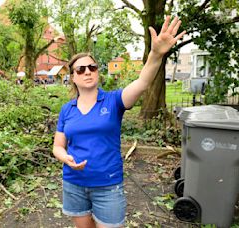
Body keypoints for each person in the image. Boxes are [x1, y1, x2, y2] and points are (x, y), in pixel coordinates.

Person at [53, 16, 185, 228]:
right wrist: (66, 158)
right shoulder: (66, 110)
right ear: (73, 78)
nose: (87, 71)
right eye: (80, 69)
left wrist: (156, 54)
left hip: (108, 186)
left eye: (92, 67)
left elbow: (142, 82)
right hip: (74, 184)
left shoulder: (114, 100)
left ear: (97, 72)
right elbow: (58, 146)